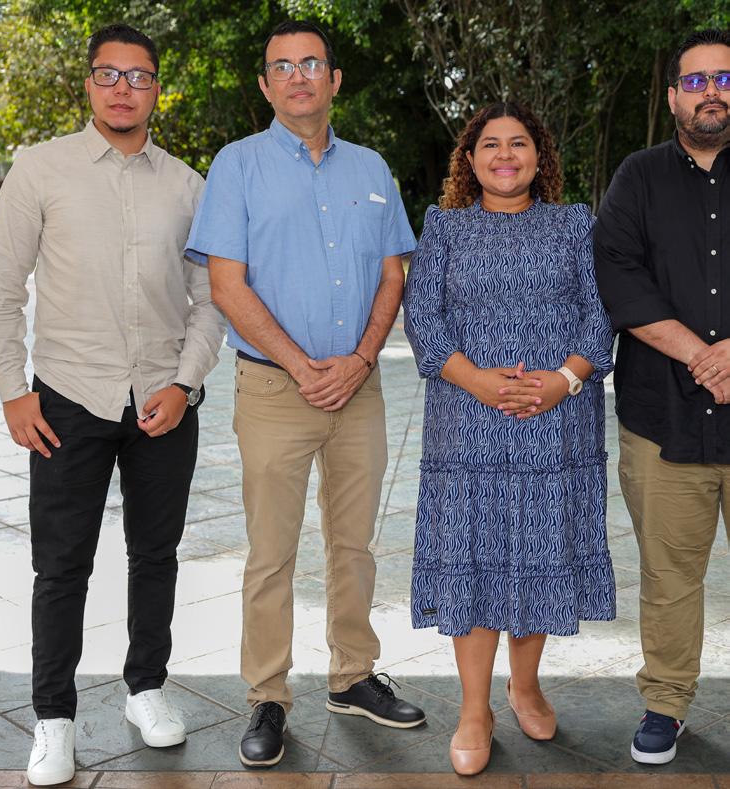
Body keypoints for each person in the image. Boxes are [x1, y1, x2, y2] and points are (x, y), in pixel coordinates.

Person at [0, 23, 226, 787]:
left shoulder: (187, 185)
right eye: (109, 74)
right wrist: (13, 389)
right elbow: (0, 288)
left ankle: (145, 687)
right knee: (60, 565)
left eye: (139, 76)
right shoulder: (40, 168)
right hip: (66, 398)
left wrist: (184, 384)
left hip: (162, 401)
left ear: (157, 90)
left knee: (155, 554)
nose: (123, 88)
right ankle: (53, 717)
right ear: (88, 84)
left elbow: (209, 300)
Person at [185, 19, 426, 769]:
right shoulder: (237, 165)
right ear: (265, 85)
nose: (298, 76)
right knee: (272, 552)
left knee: (354, 544)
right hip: (272, 387)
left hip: (358, 387)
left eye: (311, 63)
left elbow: (392, 273)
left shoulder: (372, 168)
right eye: (282, 66)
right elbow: (227, 285)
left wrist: (359, 358)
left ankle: (352, 676)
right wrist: (301, 365)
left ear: (334, 79)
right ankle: (268, 694)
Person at [404, 101, 615, 776]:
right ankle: (474, 709)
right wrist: (477, 381)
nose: (504, 155)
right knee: (474, 555)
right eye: (489, 144)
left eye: (518, 143)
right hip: (467, 420)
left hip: (554, 420)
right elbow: (422, 315)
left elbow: (600, 314)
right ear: (469, 161)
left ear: (538, 156)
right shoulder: (444, 226)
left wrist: (562, 380)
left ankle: (525, 687)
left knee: (536, 550)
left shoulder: (573, 223)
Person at [594, 28, 730, 766]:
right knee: (669, 576)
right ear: (674, 95)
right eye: (697, 80)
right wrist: (706, 358)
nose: (712, 92)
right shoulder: (637, 177)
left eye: (724, 79)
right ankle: (667, 702)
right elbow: (617, 275)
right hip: (663, 416)